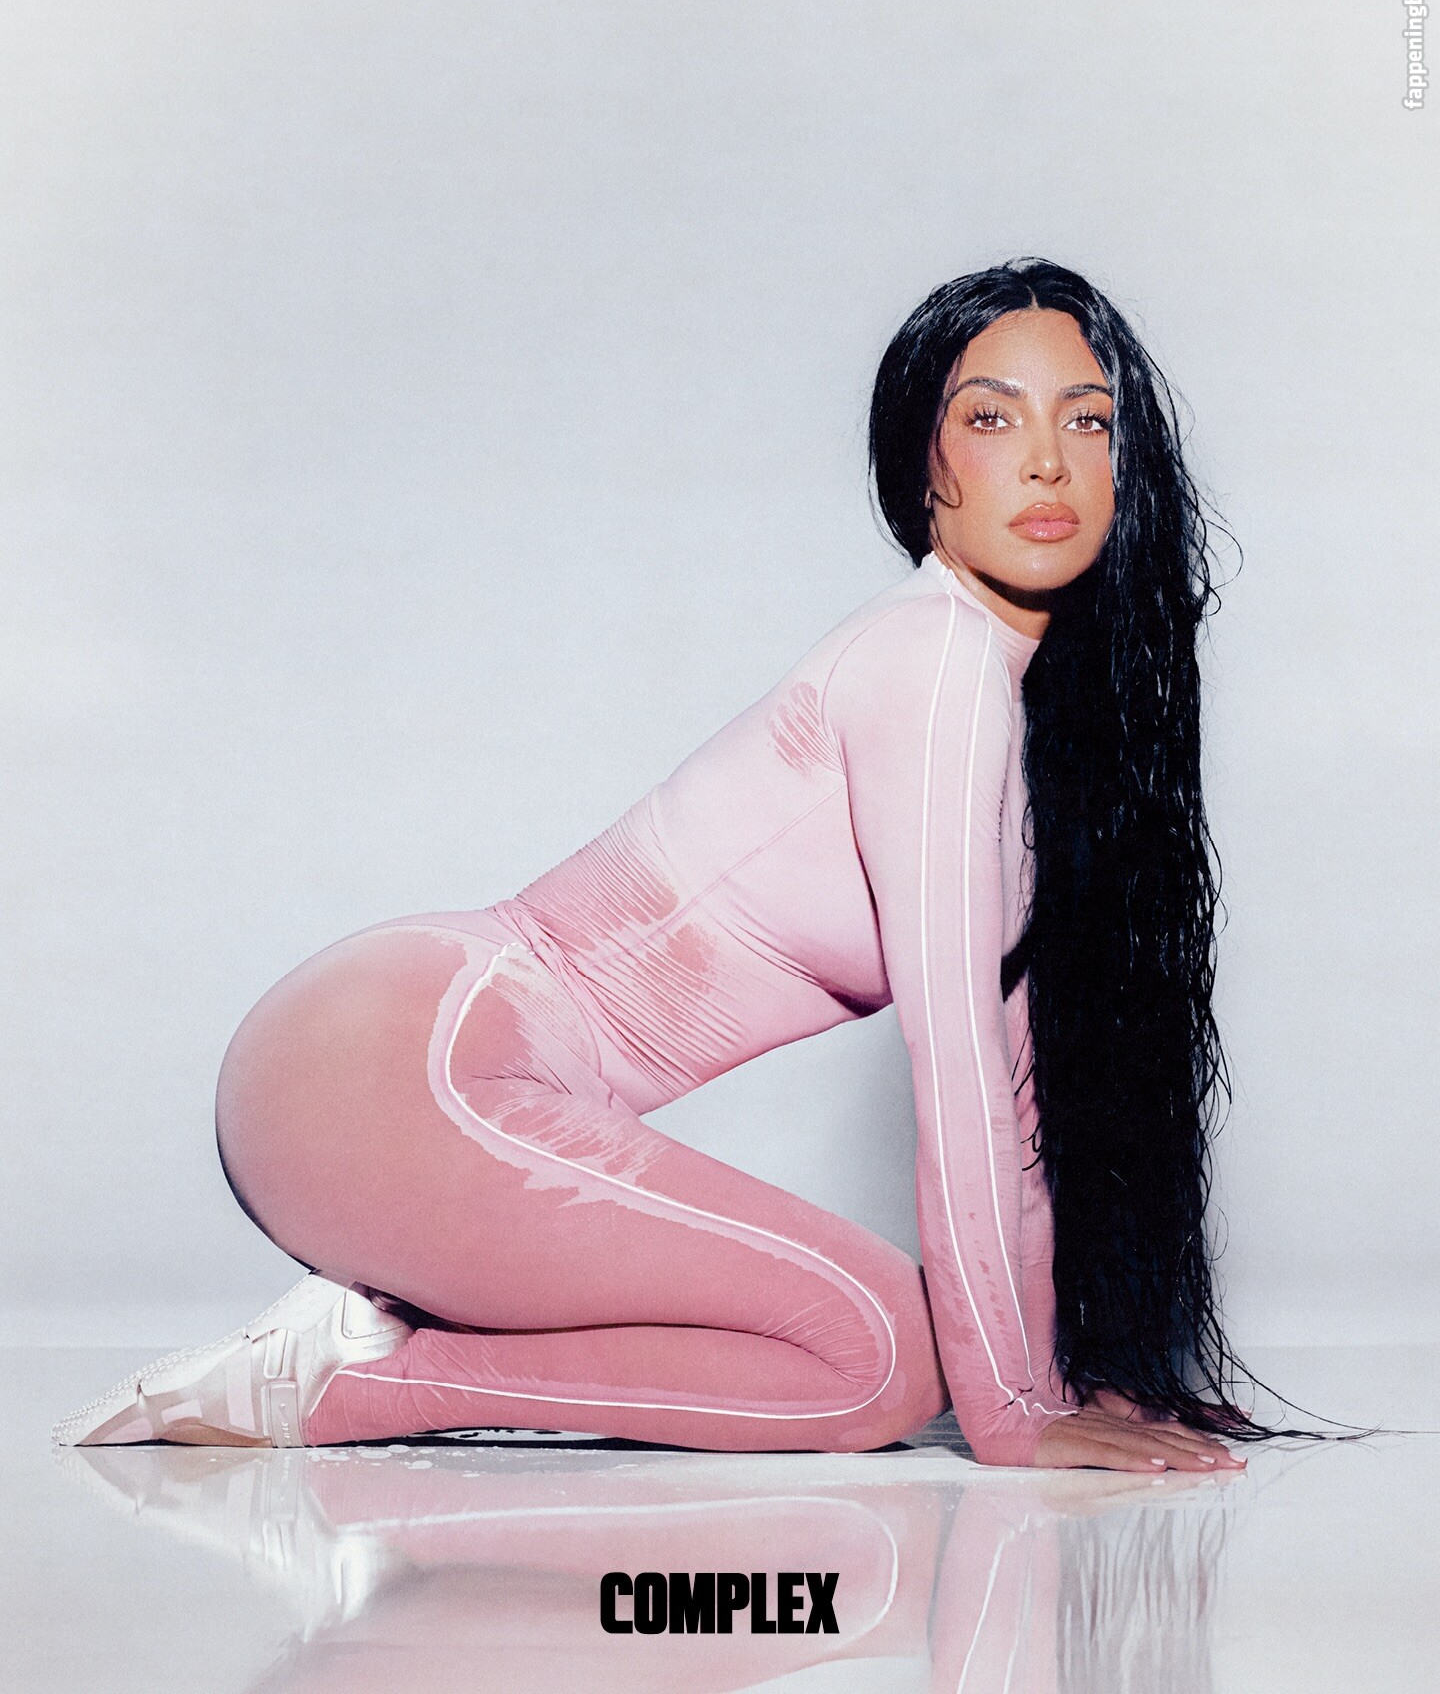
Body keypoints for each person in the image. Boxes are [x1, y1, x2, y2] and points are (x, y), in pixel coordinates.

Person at [56, 259, 1257, 1472]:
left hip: (432, 1066)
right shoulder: (932, 667)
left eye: (1086, 421)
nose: (1047, 462)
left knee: (892, 1357)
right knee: (885, 1354)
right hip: (400, 1061)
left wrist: (1050, 1388)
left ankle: (362, 1359)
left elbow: (1017, 1111)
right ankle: (348, 1387)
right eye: (991, 418)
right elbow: (953, 1080)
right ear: (925, 466)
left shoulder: (1008, 718)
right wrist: (1008, 1420)